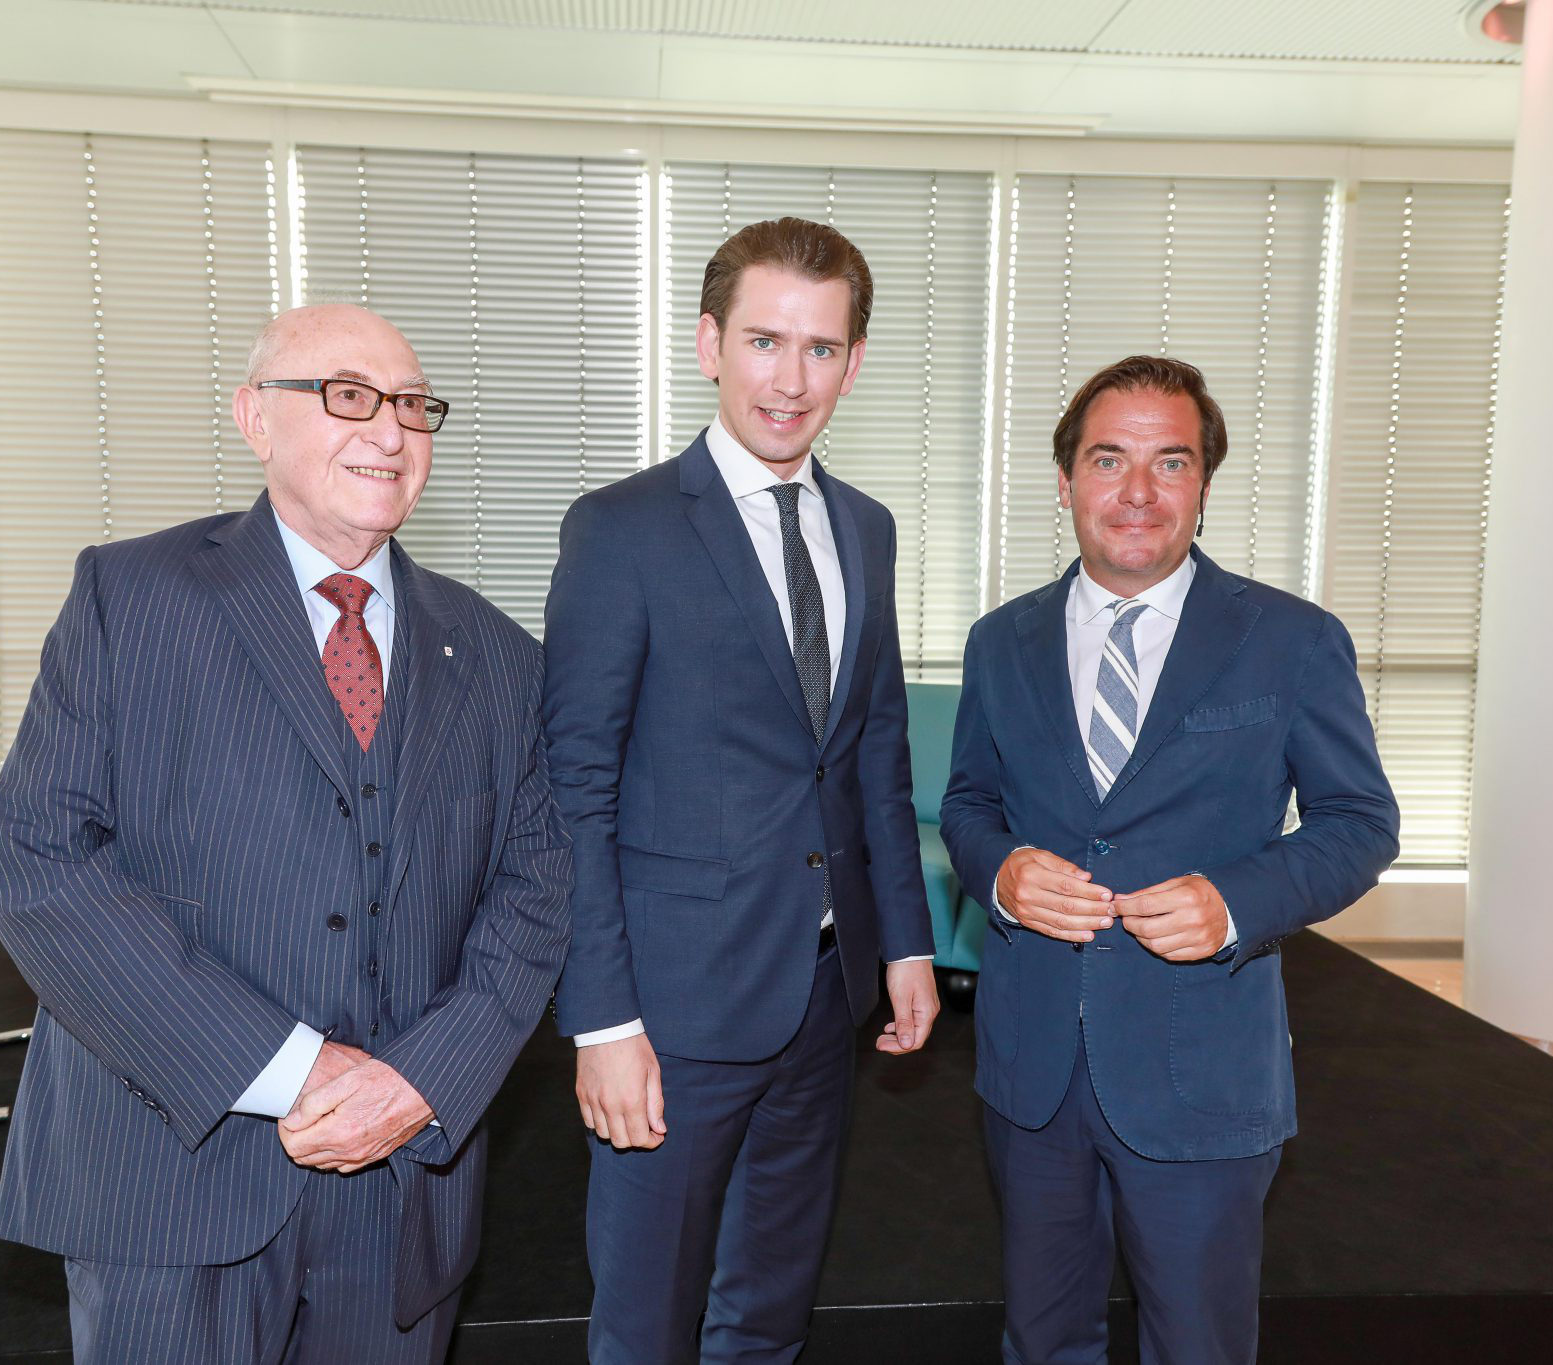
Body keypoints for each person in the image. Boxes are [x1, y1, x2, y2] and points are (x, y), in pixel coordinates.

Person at [0, 303, 571, 1363]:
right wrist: (294, 1070)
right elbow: (46, 867)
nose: (390, 432)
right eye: (348, 396)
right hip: (170, 1172)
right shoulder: (132, 599)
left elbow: (532, 901)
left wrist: (418, 1083)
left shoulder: (498, 654)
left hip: (400, 1186)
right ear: (257, 418)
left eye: (412, 406)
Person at [941, 354, 1399, 1365]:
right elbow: (969, 803)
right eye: (1109, 461)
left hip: (1203, 1074)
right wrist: (1002, 872)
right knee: (1042, 1339)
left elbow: (1361, 821)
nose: (1138, 493)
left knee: (1198, 1345)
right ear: (1065, 483)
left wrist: (1235, 902)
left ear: (1203, 483)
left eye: (1171, 462)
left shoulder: (1290, 641)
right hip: (1033, 1074)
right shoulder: (997, 643)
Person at [543, 217, 940, 1364]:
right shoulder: (620, 531)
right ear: (711, 343)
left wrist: (904, 944)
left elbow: (871, 749)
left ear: (854, 363)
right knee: (649, 1319)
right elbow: (575, 786)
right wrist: (603, 1020)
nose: (790, 379)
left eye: (820, 349)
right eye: (765, 341)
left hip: (825, 993)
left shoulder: (866, 528)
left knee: (771, 1306)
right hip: (671, 1010)